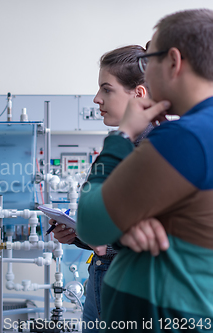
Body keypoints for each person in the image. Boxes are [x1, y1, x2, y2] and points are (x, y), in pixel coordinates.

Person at [77, 8, 213, 330]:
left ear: (174, 62)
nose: (145, 73)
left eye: (147, 61)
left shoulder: (184, 138)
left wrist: (121, 137)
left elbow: (91, 222)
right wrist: (129, 223)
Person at [49, 45, 153, 332]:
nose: (96, 99)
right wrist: (75, 235)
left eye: (107, 90)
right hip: (102, 278)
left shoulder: (158, 150)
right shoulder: (121, 147)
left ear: (138, 94)